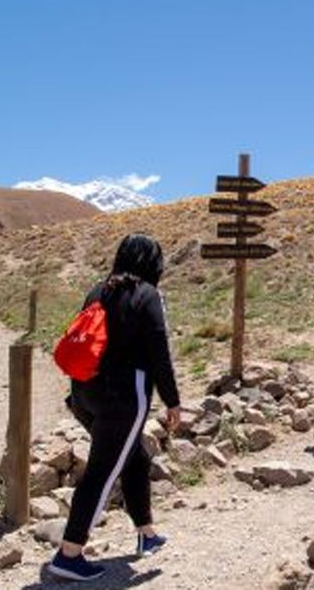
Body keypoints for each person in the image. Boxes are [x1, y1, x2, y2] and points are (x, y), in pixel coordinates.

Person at [49, 234, 180, 582]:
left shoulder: (97, 290)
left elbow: (83, 338)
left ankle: (146, 533)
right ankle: (70, 552)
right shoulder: (147, 295)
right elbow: (159, 355)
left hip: (85, 393)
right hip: (123, 397)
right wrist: (173, 401)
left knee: (134, 456)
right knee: (102, 473)